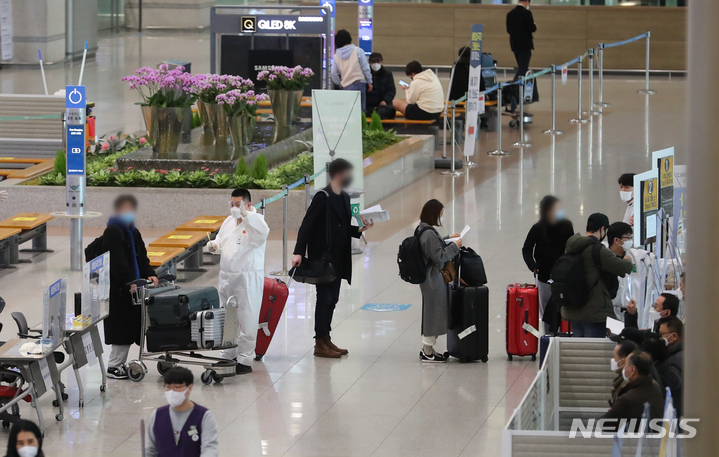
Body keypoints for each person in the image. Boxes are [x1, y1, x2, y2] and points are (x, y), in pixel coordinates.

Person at [292, 159, 374, 358]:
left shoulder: (344, 197)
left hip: (339, 257)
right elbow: (307, 225)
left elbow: (344, 226)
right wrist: (299, 252)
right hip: (324, 256)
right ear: (338, 174)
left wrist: (359, 230)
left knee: (333, 299)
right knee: (325, 298)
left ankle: (326, 338)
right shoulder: (323, 197)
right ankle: (320, 342)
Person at [208, 188, 270, 374]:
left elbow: (260, 235)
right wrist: (214, 245)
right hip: (227, 275)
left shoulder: (257, 221)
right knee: (228, 316)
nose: (235, 208)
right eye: (233, 204)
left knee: (247, 316)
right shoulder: (228, 221)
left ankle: (245, 359)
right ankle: (227, 354)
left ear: (248, 204)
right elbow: (222, 240)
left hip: (247, 276)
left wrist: (246, 216)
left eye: (239, 204)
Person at [102, 195, 158, 379]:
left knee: (131, 325)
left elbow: (142, 258)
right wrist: (130, 282)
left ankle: (120, 363)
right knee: (121, 329)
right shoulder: (112, 231)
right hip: (120, 290)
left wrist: (150, 273)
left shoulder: (133, 232)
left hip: (134, 288)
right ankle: (113, 366)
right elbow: (117, 263)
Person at [561, 213, 633, 337]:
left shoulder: (571, 247)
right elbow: (623, 268)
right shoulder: (597, 249)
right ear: (602, 229)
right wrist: (627, 260)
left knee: (578, 351)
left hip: (573, 307)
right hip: (593, 311)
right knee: (592, 351)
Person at [416, 199, 462, 362]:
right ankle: (427, 351)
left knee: (434, 310)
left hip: (430, 278)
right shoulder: (428, 233)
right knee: (434, 312)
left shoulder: (423, 229)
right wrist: (455, 247)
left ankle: (428, 349)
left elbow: (433, 246)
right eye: (440, 213)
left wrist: (448, 238)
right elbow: (439, 256)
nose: (441, 216)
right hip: (433, 279)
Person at [522, 195, 573, 332]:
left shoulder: (567, 226)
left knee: (563, 309)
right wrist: (532, 266)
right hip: (544, 276)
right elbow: (527, 249)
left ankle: (562, 338)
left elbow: (572, 248)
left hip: (563, 276)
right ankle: (548, 339)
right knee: (546, 312)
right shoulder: (538, 229)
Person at [145, 367, 219, 457]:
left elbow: (210, 449)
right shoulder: (157, 415)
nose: (172, 392)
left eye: (177, 387)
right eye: (168, 387)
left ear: (190, 387)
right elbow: (150, 450)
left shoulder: (204, 417)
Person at [601, 350, 665, 430]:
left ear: (632, 370)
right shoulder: (655, 387)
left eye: (625, 365)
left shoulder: (628, 399)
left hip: (634, 440)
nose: (624, 369)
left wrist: (614, 410)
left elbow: (603, 423)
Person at [331, 29, 373, 112]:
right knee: (360, 113)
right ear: (349, 38)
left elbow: (333, 73)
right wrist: (369, 82)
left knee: (349, 113)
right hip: (359, 83)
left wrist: (340, 84)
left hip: (346, 86)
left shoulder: (336, 56)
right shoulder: (358, 51)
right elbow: (366, 68)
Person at [657, 316, 684, 416]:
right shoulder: (673, 355)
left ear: (674, 336)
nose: (660, 338)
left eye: (662, 334)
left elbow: (674, 388)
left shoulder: (677, 359)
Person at [506, 0, 537, 82]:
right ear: (527, 1)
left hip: (515, 44)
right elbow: (532, 28)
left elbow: (508, 30)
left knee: (522, 66)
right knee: (523, 68)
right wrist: (534, 25)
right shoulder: (527, 13)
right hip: (525, 44)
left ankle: (522, 86)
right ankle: (514, 85)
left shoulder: (510, 14)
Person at [365, 52, 396, 117]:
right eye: (373, 61)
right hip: (367, 105)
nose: (376, 64)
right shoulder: (365, 74)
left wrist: (385, 100)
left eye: (378, 61)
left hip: (382, 105)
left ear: (381, 62)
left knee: (390, 111)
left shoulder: (387, 74)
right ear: (369, 62)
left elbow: (391, 90)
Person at [609, 339, 638, 407]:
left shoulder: (627, 385)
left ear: (624, 361)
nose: (613, 360)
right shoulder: (622, 381)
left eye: (614, 357)